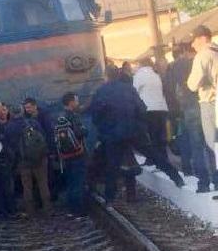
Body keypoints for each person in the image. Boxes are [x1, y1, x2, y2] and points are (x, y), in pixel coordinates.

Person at [92, 67, 184, 203]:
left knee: (113, 165)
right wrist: (139, 125)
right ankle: (177, 178)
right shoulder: (129, 88)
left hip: (113, 134)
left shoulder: (101, 91)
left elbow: (96, 115)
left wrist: (104, 130)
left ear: (105, 76)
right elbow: (142, 108)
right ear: (118, 75)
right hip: (134, 130)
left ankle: (109, 198)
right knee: (154, 155)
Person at [169, 42, 213, 191]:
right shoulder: (204, 58)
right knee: (211, 145)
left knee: (196, 145)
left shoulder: (174, 66)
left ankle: (203, 183)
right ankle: (216, 180)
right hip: (207, 104)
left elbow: (171, 90)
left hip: (189, 108)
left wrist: (174, 112)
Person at [6, 103, 52, 215]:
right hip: (39, 160)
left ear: (11, 113)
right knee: (43, 184)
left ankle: (30, 211)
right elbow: (43, 138)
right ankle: (47, 209)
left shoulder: (9, 127)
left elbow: (9, 146)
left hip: (22, 161)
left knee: (27, 186)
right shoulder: (33, 122)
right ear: (22, 112)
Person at [187, 25, 218, 172]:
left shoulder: (203, 55)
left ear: (203, 38)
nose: (192, 45)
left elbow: (193, 84)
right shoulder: (216, 51)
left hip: (211, 103)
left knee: (213, 144)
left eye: (194, 40)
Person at [133, 58, 171, 161]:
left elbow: (134, 91)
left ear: (140, 64)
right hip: (161, 108)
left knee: (151, 136)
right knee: (161, 136)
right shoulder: (156, 74)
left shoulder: (139, 75)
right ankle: (164, 157)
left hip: (148, 109)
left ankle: (153, 160)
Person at [58, 93, 88, 214]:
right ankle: (78, 211)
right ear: (70, 103)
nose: (78, 103)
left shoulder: (60, 117)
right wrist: (85, 130)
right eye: (76, 101)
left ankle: (71, 209)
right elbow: (80, 132)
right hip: (78, 154)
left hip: (66, 155)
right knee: (78, 182)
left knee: (70, 182)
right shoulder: (73, 116)